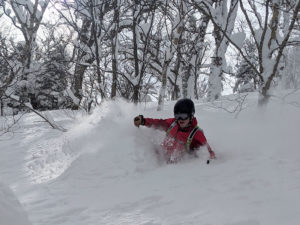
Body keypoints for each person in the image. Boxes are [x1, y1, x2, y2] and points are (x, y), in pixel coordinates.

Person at [134, 98, 216, 163]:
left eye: (183, 116)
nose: (180, 119)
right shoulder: (173, 123)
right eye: (177, 116)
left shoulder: (196, 133)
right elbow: (158, 123)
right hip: (160, 158)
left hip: (176, 167)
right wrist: (144, 121)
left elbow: (207, 151)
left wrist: (209, 158)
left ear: (191, 115)